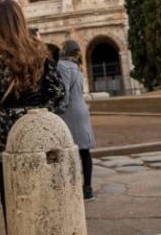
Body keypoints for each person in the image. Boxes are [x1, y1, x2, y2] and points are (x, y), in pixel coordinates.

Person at [0, 0, 65, 218]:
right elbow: (58, 91)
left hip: (5, 136)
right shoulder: (39, 48)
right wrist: (40, 118)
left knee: (13, 201)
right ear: (21, 19)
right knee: (41, 198)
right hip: (39, 133)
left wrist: (8, 126)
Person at [56, 40, 96, 201]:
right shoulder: (78, 67)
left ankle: (71, 188)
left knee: (68, 150)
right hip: (82, 110)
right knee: (84, 151)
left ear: (64, 50)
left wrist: (59, 109)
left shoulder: (62, 66)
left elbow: (64, 91)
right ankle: (88, 189)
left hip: (70, 111)